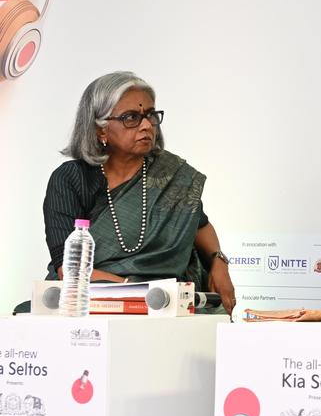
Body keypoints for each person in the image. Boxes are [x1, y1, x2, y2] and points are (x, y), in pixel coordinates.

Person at [41, 71, 235, 310]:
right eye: (131, 117)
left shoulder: (169, 175)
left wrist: (218, 261)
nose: (146, 125)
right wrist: (138, 291)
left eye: (150, 115)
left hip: (166, 301)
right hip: (93, 303)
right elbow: (68, 269)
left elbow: (200, 225)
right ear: (100, 130)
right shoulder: (71, 178)